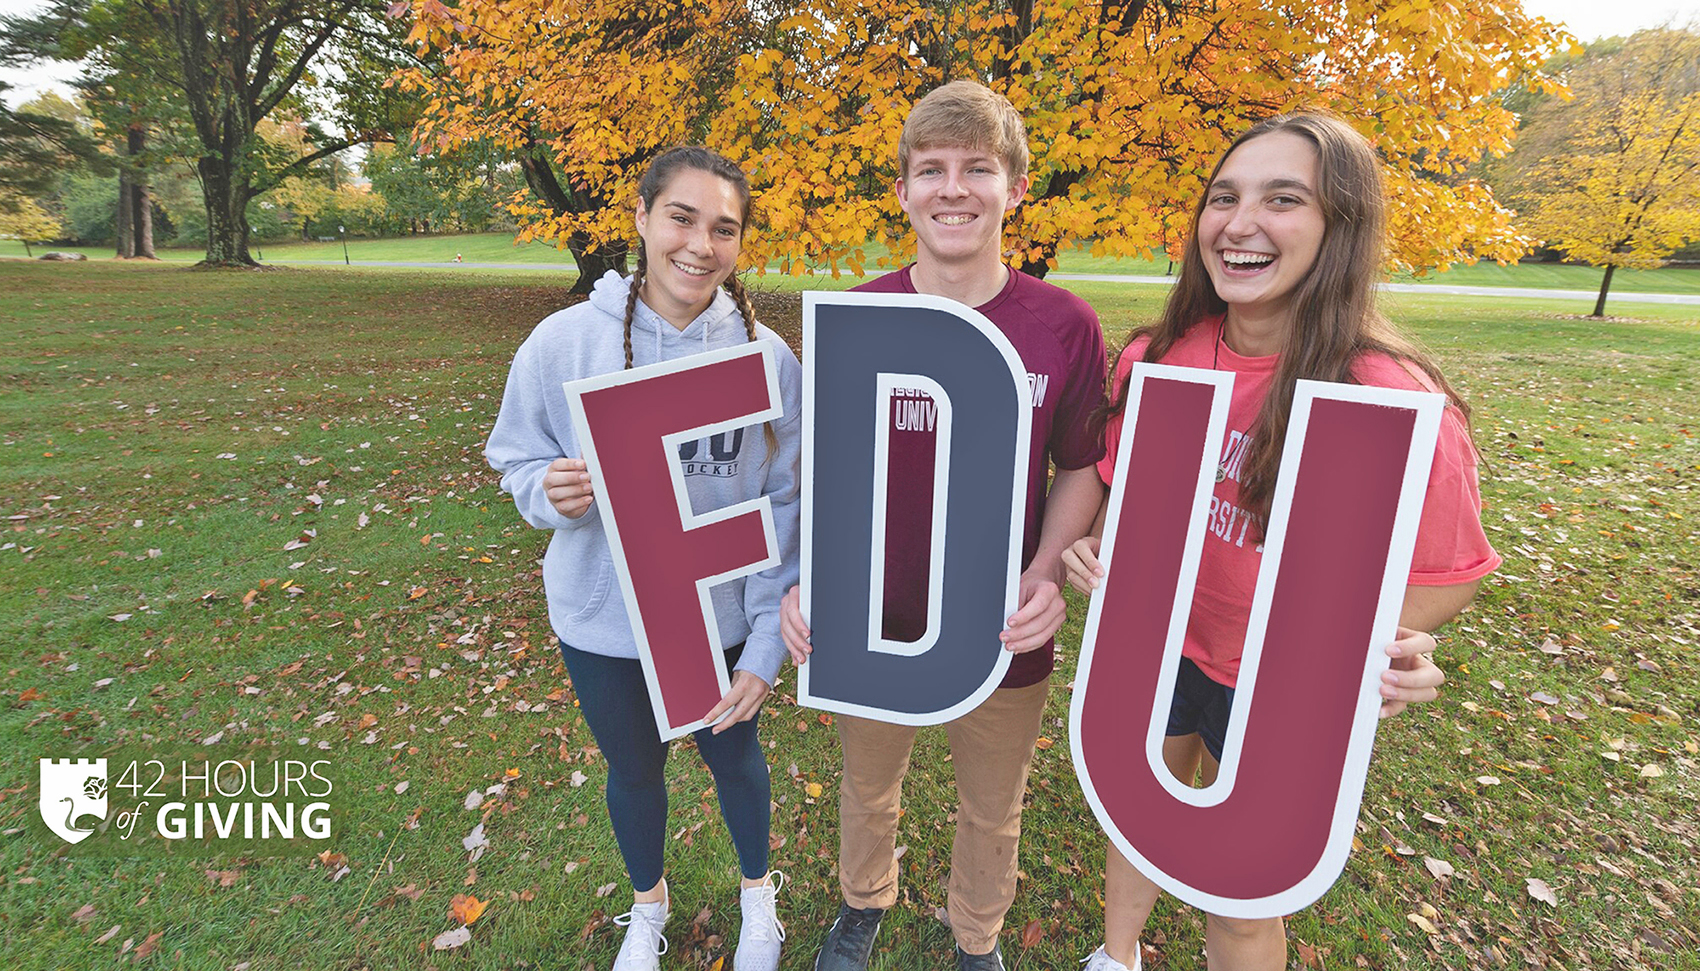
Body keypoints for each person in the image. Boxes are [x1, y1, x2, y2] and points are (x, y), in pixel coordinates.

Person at [1060, 112, 1502, 971]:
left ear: (1340, 227)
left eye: (1283, 199)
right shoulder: (1161, 357)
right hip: (1157, 650)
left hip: (1277, 688)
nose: (1240, 221)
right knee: (1134, 823)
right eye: (1224, 197)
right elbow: (1125, 496)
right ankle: (1117, 957)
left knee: (1241, 890)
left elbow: (1449, 572)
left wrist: (1391, 644)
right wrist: (1097, 545)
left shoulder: (1395, 401)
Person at [780, 80, 1109, 971]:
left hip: (999, 616)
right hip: (877, 614)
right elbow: (831, 472)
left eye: (977, 169)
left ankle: (977, 936)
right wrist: (812, 580)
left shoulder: (1066, 325)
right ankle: (862, 901)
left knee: (993, 800)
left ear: (1015, 189)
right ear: (903, 191)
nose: (953, 189)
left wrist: (1045, 570)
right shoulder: (859, 313)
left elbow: (1080, 464)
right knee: (867, 780)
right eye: (931, 170)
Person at [486, 146, 801, 971]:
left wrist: (766, 644)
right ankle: (646, 905)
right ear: (641, 218)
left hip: (721, 617)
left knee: (736, 755)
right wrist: (542, 490)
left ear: (741, 243)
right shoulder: (562, 343)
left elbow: (786, 506)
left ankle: (757, 900)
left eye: (724, 228)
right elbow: (515, 456)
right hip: (604, 621)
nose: (701, 244)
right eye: (682, 218)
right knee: (633, 769)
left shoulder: (767, 359)